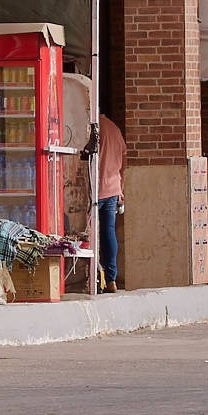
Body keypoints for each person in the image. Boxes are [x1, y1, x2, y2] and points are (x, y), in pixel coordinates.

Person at [93, 111, 125, 291]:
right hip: (113, 189)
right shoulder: (114, 128)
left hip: (93, 189)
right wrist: (121, 187)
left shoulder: (93, 127)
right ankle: (111, 278)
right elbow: (124, 158)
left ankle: (93, 278)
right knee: (108, 232)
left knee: (90, 235)